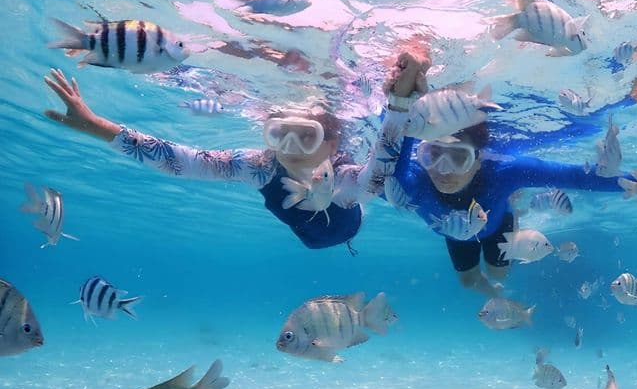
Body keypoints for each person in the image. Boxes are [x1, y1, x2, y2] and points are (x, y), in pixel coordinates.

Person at [376, 53, 637, 298]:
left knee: (498, 273)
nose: (442, 170)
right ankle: (497, 293)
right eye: (432, 156)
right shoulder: (411, 183)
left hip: (496, 226)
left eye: (459, 157)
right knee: (469, 282)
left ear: (479, 159)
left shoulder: (504, 173)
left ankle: (512, 211)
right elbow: (390, 153)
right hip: (455, 232)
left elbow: (574, 177)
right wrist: (403, 102)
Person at [42, 68, 389, 250]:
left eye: (307, 135)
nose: (291, 145)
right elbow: (181, 160)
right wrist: (97, 126)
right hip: (310, 239)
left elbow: (382, 166)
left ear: (332, 145)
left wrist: (401, 103)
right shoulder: (259, 165)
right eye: (280, 133)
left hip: (350, 226)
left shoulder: (344, 176)